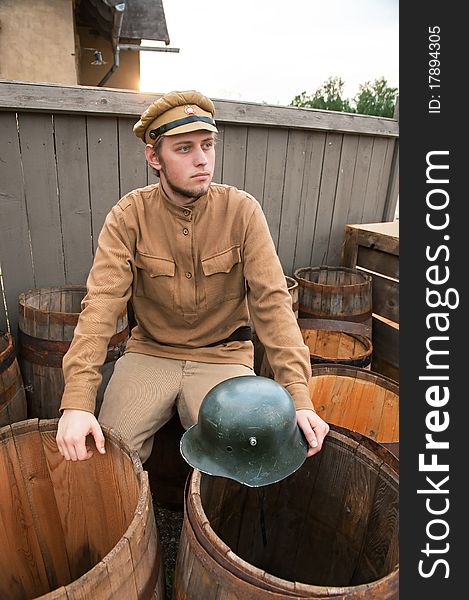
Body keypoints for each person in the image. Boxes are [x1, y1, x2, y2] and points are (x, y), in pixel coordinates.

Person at [56, 90, 329, 463]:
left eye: (207, 145)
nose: (202, 160)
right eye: (184, 148)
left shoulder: (242, 211)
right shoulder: (128, 216)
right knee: (108, 456)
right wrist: (77, 401)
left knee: (245, 458)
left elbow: (273, 303)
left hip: (224, 355)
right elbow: (101, 305)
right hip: (150, 352)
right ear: (154, 157)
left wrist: (298, 395)